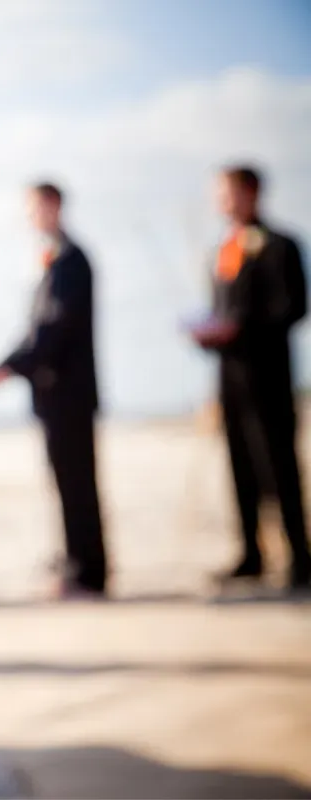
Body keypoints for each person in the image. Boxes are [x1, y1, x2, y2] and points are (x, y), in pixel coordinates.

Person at [0, 182, 107, 598]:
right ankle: (75, 562)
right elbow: (37, 329)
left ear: (54, 206)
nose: (29, 217)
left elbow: (52, 328)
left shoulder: (71, 260)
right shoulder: (53, 259)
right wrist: (10, 364)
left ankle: (89, 571)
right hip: (52, 393)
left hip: (70, 393)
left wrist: (9, 366)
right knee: (65, 481)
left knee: (78, 482)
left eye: (33, 208)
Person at [190, 165, 309, 590]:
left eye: (227, 193)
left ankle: (299, 557)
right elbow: (219, 312)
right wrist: (208, 336)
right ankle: (251, 554)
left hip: (269, 375)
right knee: (239, 466)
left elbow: (293, 308)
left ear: (252, 192)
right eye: (218, 194)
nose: (221, 202)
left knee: (279, 466)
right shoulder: (221, 250)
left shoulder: (281, 245)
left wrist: (242, 327)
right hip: (230, 377)